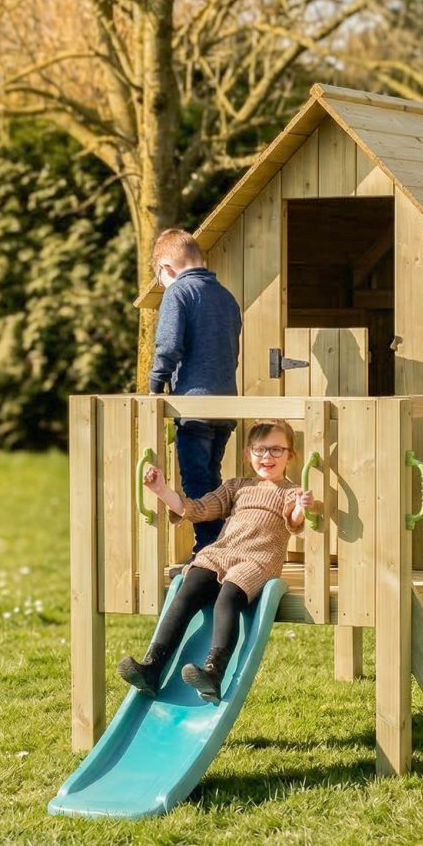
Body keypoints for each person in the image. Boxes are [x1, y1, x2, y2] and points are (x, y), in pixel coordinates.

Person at [117, 419, 314, 704]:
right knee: (188, 589)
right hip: (222, 552)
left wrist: (302, 508)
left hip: (257, 560)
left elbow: (294, 520)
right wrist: (161, 490)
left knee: (228, 597)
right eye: (260, 450)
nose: (267, 457)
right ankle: (152, 667)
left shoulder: (291, 492)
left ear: (289, 455)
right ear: (248, 453)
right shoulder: (237, 487)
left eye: (276, 450)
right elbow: (198, 508)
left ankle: (213, 672)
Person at [148, 228, 242, 556]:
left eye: (160, 280)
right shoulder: (226, 297)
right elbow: (232, 353)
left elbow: (168, 345)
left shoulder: (179, 293)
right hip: (227, 404)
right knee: (212, 479)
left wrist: (156, 385)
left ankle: (208, 549)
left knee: (196, 480)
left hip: (194, 404)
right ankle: (221, 544)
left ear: (166, 268)